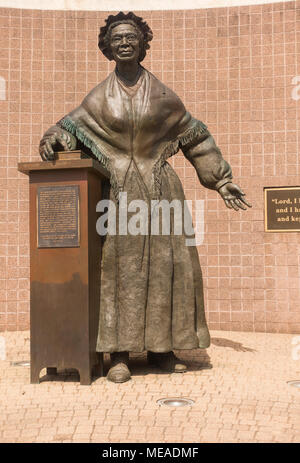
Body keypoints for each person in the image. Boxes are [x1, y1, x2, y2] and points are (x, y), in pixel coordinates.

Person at [39, 11, 251, 383]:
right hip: (117, 194)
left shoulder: (164, 95)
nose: (124, 42)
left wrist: (220, 180)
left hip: (160, 191)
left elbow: (196, 137)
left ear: (142, 44)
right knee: (117, 268)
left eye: (131, 37)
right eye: (117, 37)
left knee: (168, 266)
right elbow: (68, 126)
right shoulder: (98, 98)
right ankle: (118, 353)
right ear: (107, 46)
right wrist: (52, 137)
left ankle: (162, 348)